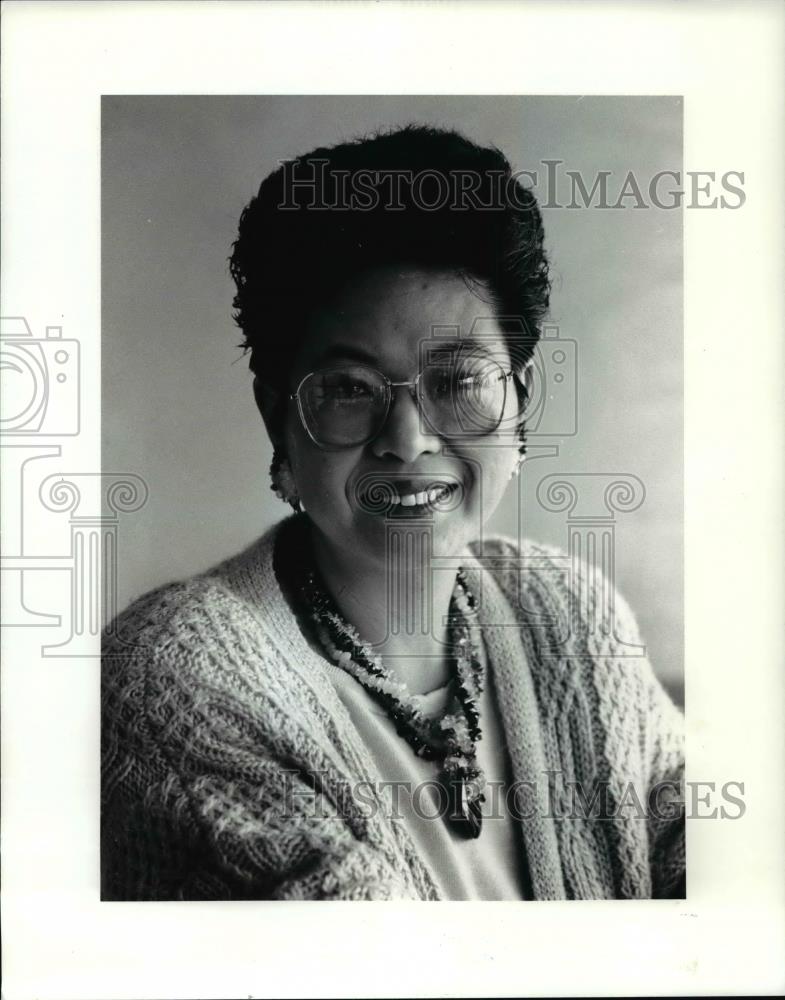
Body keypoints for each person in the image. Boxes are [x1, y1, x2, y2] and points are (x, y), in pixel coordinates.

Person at [101, 125, 685, 900]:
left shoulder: (570, 610)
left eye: (457, 381)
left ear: (521, 399)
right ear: (277, 417)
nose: (407, 442)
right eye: (348, 387)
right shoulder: (173, 677)